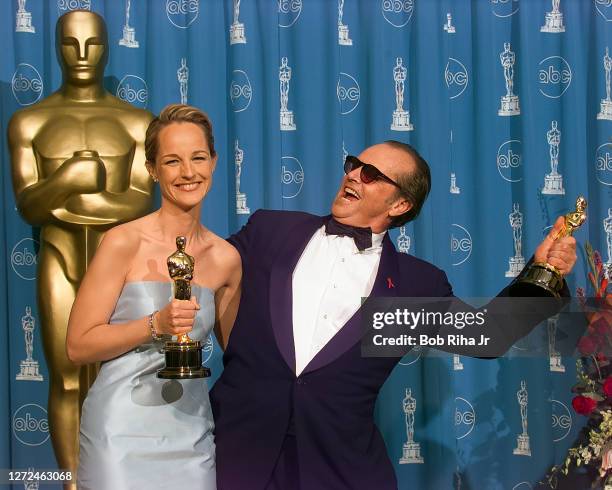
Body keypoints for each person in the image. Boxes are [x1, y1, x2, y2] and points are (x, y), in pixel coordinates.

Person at [210, 140, 577, 489]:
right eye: (354, 165)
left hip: (340, 470)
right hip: (238, 457)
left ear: (400, 205)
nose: (353, 175)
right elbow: (202, 273)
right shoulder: (271, 230)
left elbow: (487, 334)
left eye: (370, 174)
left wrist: (540, 272)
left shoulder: (414, 285)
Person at [8, 10, 154, 475]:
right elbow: (28, 207)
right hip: (59, 259)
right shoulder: (29, 122)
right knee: (68, 380)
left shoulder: (136, 122)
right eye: (71, 44)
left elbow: (137, 203)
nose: (83, 55)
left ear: (108, 47)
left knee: (122, 381)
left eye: (92, 44)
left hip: (120, 267)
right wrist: (73, 176)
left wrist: (64, 199)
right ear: (56, 48)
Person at [66, 104, 241, 489]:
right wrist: (154, 325)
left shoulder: (226, 260)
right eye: (172, 161)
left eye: (198, 158)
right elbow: (78, 346)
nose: (188, 172)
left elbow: (240, 359)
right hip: (119, 433)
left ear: (213, 162)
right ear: (152, 170)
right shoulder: (123, 242)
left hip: (191, 431)